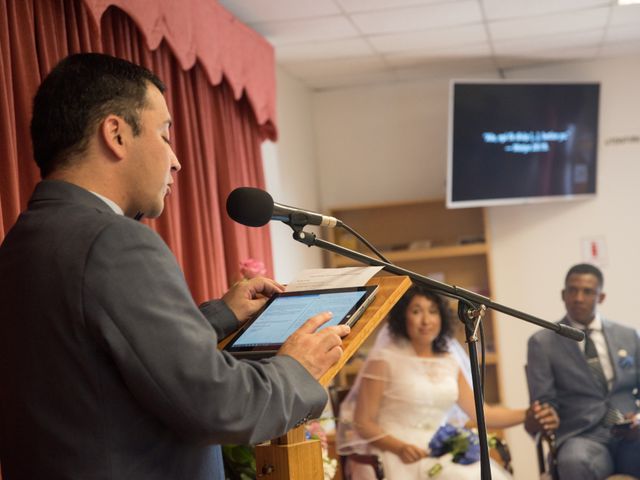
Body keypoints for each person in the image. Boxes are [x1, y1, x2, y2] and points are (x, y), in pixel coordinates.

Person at [0, 53, 350, 479]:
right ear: (116, 134)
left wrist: (219, 316)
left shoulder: (23, 240)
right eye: (165, 134)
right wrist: (299, 366)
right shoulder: (115, 241)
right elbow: (222, 408)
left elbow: (96, 366)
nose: (176, 160)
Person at [336, 284, 558, 480]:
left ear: (441, 318)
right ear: (403, 318)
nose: (425, 320)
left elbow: (484, 413)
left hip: (438, 450)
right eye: (416, 311)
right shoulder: (383, 361)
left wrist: (528, 414)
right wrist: (400, 447)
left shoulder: (449, 362)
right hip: (395, 453)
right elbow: (363, 422)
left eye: (432, 312)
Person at [527, 263, 640, 479]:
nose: (578, 298)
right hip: (582, 435)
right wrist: (544, 413)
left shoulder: (629, 336)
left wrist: (638, 419)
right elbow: (544, 401)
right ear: (563, 294)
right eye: (572, 290)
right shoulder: (542, 342)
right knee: (573, 461)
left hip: (631, 434)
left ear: (601, 297)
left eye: (587, 291)